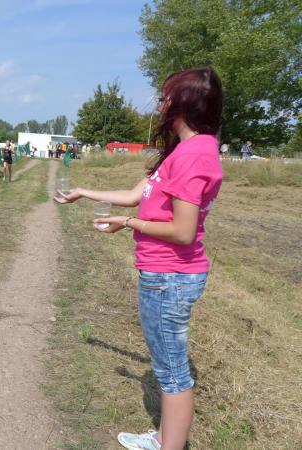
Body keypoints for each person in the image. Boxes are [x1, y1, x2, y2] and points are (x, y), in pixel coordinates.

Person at [55, 67, 223, 450]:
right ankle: (163, 437)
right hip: (165, 274)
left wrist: (129, 223)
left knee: (172, 373)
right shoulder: (185, 150)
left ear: (185, 103)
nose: (159, 104)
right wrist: (83, 191)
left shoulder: (194, 154)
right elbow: (136, 196)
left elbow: (183, 230)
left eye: (165, 97)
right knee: (167, 365)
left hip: (169, 276)